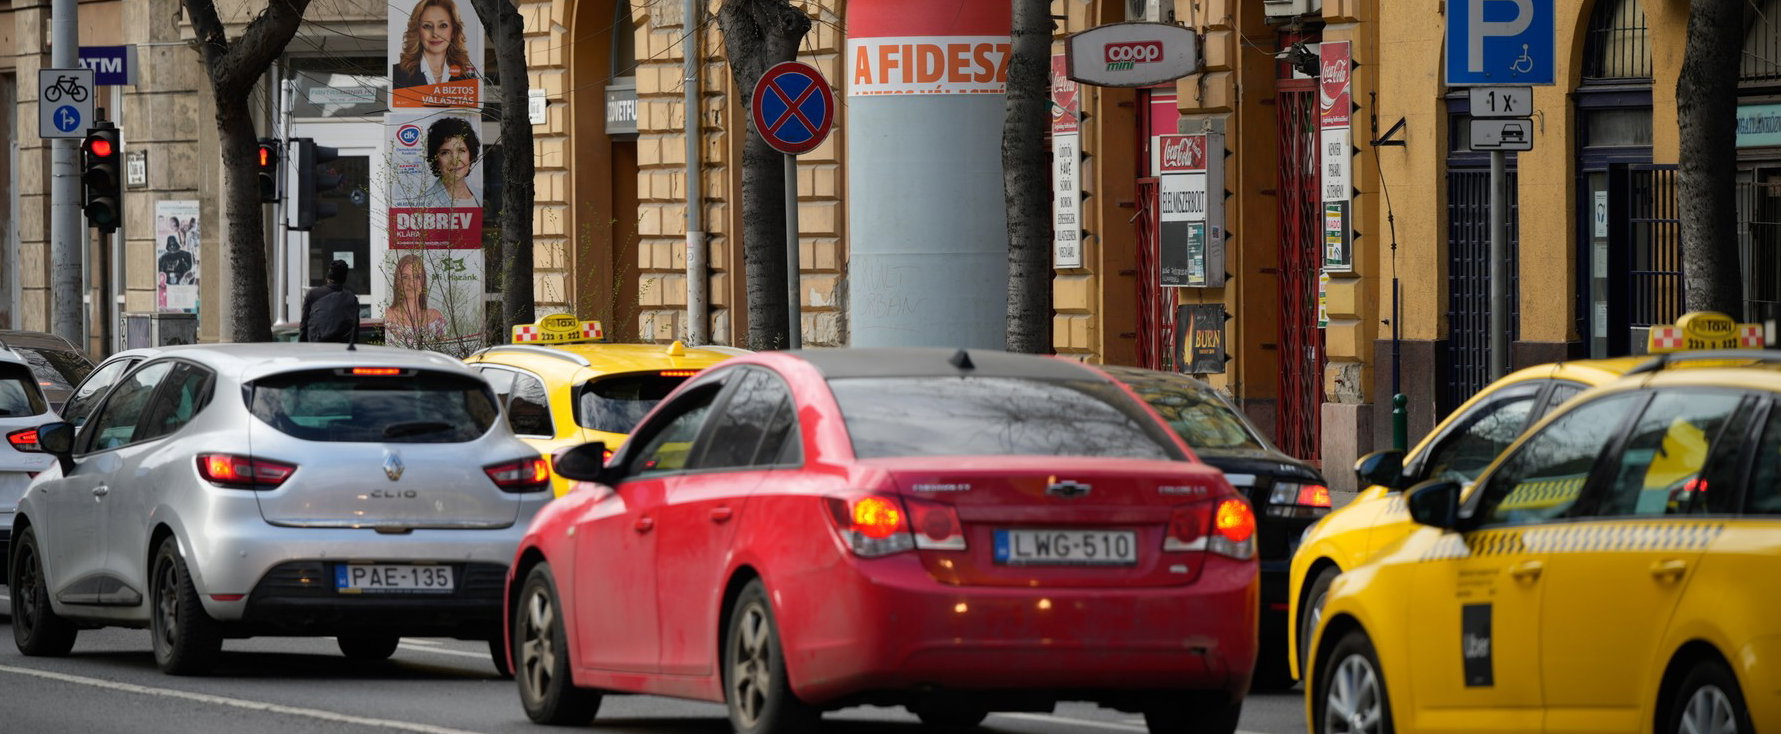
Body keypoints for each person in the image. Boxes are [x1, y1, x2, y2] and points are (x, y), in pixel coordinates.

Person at [390, 0, 480, 90]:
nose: (435, 34)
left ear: (454, 31)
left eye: (443, 25)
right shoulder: (397, 74)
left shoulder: (467, 75)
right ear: (417, 31)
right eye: (427, 26)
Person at [409, 116, 481, 208]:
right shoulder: (424, 203)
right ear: (435, 159)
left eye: (461, 151)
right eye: (445, 153)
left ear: (470, 154)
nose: (455, 160)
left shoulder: (479, 194)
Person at [386, 253, 447, 344]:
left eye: (417, 277)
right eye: (405, 277)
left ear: (423, 282)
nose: (411, 284)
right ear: (397, 283)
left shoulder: (435, 317)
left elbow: (445, 352)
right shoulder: (387, 316)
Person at [300, 260, 360, 343]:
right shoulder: (352, 299)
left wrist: (302, 347)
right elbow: (355, 330)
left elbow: (304, 326)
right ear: (345, 278)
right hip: (342, 349)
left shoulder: (313, 294)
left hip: (317, 347)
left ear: (328, 276)